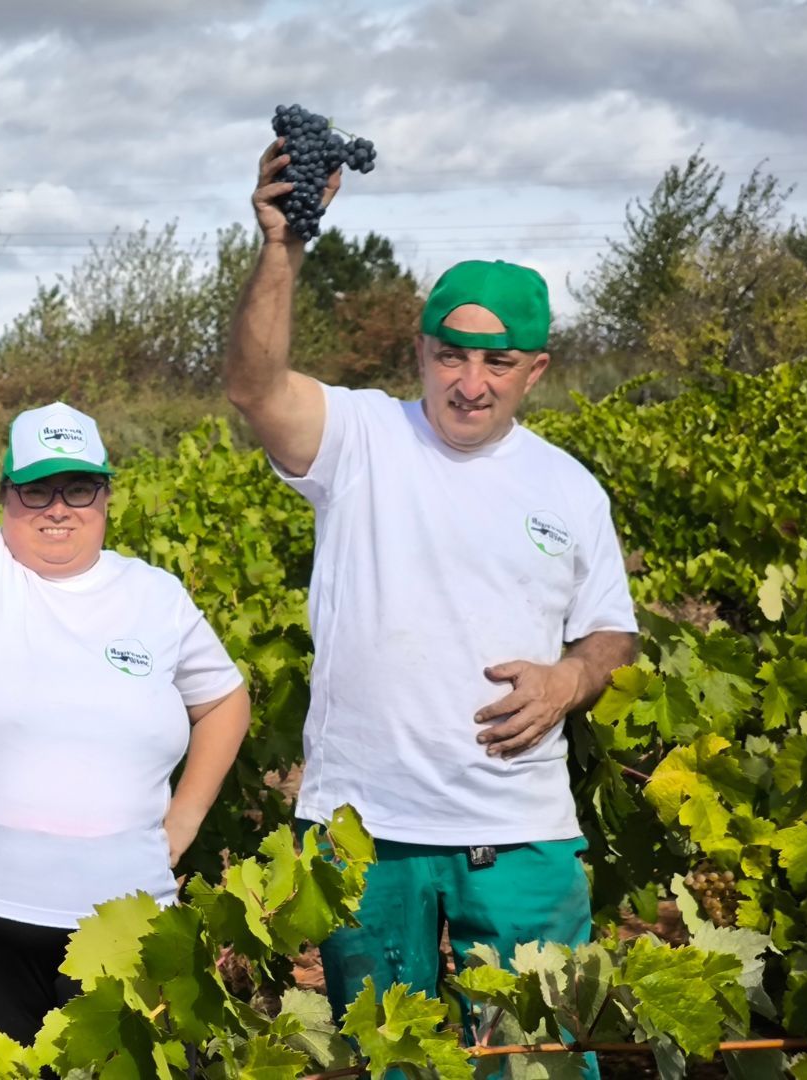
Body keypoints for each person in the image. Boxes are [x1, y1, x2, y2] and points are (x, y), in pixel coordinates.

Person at [224, 139, 640, 1030]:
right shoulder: (363, 438)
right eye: (451, 355)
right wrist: (281, 249)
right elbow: (257, 389)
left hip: (521, 829)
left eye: (498, 363)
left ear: (537, 369)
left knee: (543, 1053)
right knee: (390, 1056)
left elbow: (611, 631)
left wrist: (571, 679)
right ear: (421, 350)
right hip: (362, 835)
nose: (471, 383)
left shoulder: (570, 487)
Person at [0, 268, 253, 1040]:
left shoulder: (154, 596)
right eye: (37, 490)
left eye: (79, 489)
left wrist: (183, 821)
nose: (58, 509)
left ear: (107, 495)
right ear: (5, 495)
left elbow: (225, 699)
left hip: (124, 919)